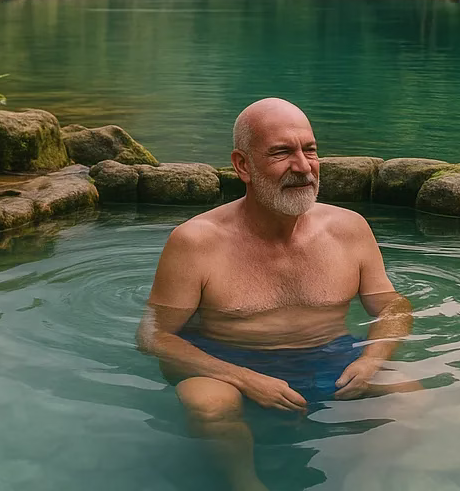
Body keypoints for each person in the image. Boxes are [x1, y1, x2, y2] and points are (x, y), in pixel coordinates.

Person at [136, 97, 416, 491]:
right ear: (243, 165)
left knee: (409, 396)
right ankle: (246, 483)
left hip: (328, 354)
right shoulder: (196, 241)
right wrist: (246, 379)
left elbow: (392, 304)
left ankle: (362, 480)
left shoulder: (349, 229)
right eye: (282, 153)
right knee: (210, 406)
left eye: (310, 150)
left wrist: (371, 359)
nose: (303, 167)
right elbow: (154, 334)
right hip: (227, 359)